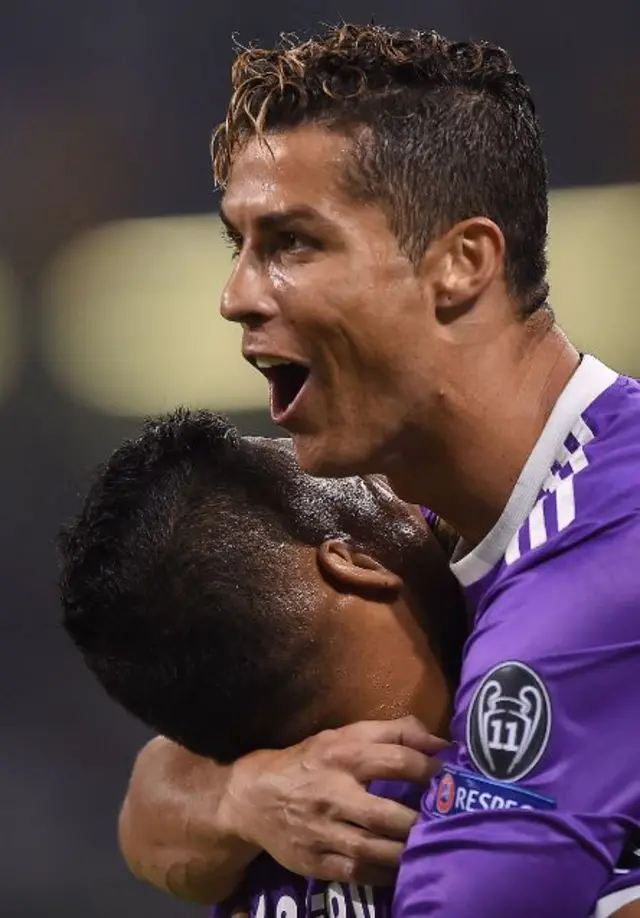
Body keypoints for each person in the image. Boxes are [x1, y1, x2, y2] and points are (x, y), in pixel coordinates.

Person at [210, 22, 640, 918]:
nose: (237, 295)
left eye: (291, 242)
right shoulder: (412, 526)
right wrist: (245, 793)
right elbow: (152, 804)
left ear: (461, 264)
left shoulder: (610, 542)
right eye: (237, 245)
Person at [61, 409, 639, 918]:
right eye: (370, 485)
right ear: (353, 563)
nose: (409, 494)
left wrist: (239, 796)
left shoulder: (265, 839)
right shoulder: (558, 788)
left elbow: (148, 805)